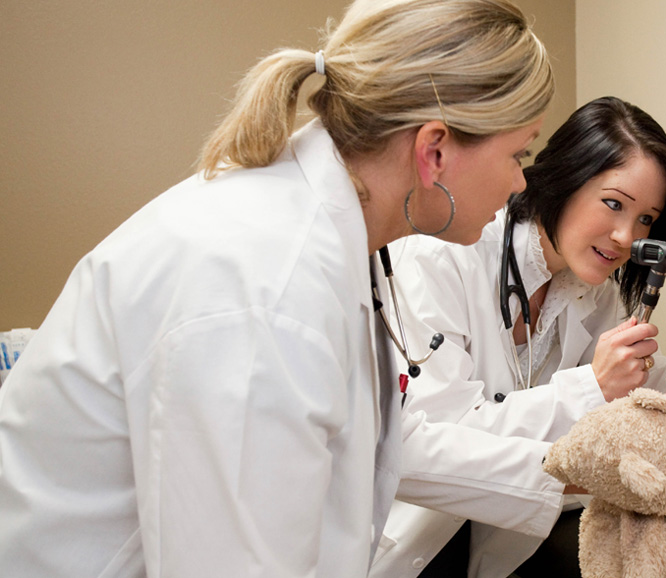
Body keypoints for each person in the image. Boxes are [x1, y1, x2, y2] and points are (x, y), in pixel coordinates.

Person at [0, 1, 572, 576]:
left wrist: (575, 464)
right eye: (518, 153)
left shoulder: (328, 227)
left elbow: (385, 442)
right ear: (434, 151)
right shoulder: (267, 286)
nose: (521, 181)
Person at [368, 96, 666, 578]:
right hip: (412, 530)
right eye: (613, 203)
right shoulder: (446, 254)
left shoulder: (592, 290)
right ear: (564, 179)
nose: (625, 235)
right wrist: (590, 388)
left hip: (499, 535)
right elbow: (440, 438)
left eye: (645, 219)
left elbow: (638, 397)